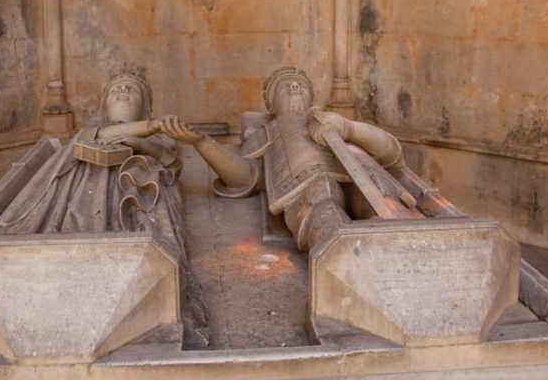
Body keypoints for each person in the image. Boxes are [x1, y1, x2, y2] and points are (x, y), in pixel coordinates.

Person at [0, 72, 208, 346]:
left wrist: (141, 144)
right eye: (117, 89)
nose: (124, 92)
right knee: (76, 213)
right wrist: (149, 126)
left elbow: (170, 161)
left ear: (145, 107)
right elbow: (95, 137)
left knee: (143, 209)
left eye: (132, 90)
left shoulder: (161, 140)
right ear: (103, 105)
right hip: (84, 182)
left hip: (136, 182)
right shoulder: (90, 133)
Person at [160, 66, 426, 252]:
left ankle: (399, 249)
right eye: (286, 87)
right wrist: (202, 143)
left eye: (300, 85)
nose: (295, 87)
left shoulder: (333, 119)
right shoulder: (266, 131)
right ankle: (340, 250)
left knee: (380, 203)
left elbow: (391, 152)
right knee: (322, 206)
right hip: (309, 180)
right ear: (271, 106)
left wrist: (348, 128)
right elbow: (248, 177)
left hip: (366, 176)